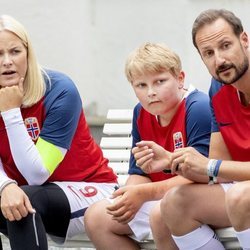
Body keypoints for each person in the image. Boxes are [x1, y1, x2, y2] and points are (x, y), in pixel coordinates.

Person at [0, 15, 118, 250]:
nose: (7, 62)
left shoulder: (59, 90)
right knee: (20, 199)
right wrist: (5, 186)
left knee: (26, 201)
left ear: (28, 53)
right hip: (27, 193)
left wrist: (11, 112)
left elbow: (37, 174)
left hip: (91, 190)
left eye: (14, 51)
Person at [84, 42, 212, 250]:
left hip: (193, 200)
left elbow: (202, 175)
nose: (151, 92)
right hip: (158, 197)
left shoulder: (198, 108)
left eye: (160, 81)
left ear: (180, 79)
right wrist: (129, 197)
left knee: (160, 215)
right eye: (141, 85)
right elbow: (138, 172)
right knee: (97, 217)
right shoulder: (141, 112)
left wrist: (143, 193)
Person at [147, 8, 250, 250]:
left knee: (240, 196)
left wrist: (210, 166)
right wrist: (172, 160)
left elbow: (214, 167)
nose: (219, 60)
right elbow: (218, 168)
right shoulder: (218, 88)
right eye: (209, 53)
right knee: (171, 205)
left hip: (243, 196)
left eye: (226, 46)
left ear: (244, 40)